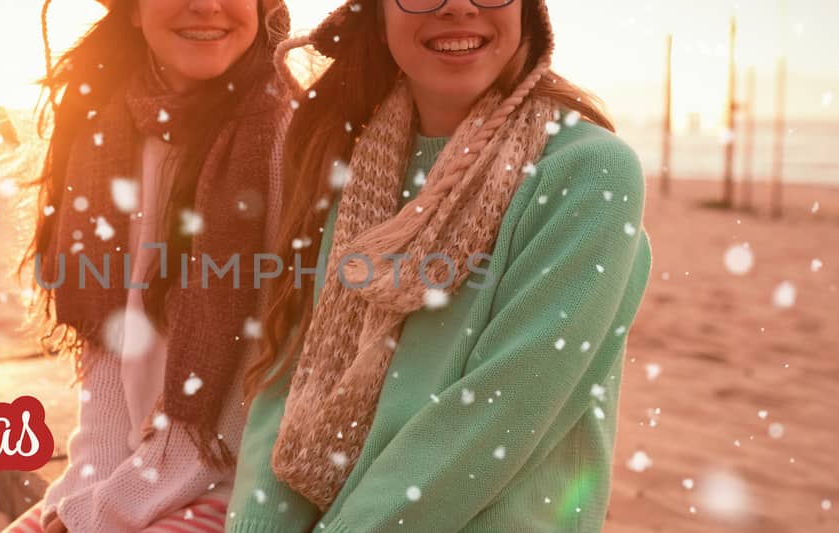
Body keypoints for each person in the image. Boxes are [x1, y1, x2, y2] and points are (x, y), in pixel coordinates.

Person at [228, 0, 652, 530]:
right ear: (378, 15)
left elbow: (498, 412)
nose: (457, 6)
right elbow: (290, 376)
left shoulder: (586, 172)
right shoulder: (349, 162)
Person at [5, 0, 292, 531]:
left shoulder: (283, 140)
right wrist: (84, 491)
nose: (207, 5)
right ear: (133, 11)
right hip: (141, 475)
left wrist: (109, 509)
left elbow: (250, 392)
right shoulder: (104, 134)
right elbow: (109, 361)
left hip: (242, 484)